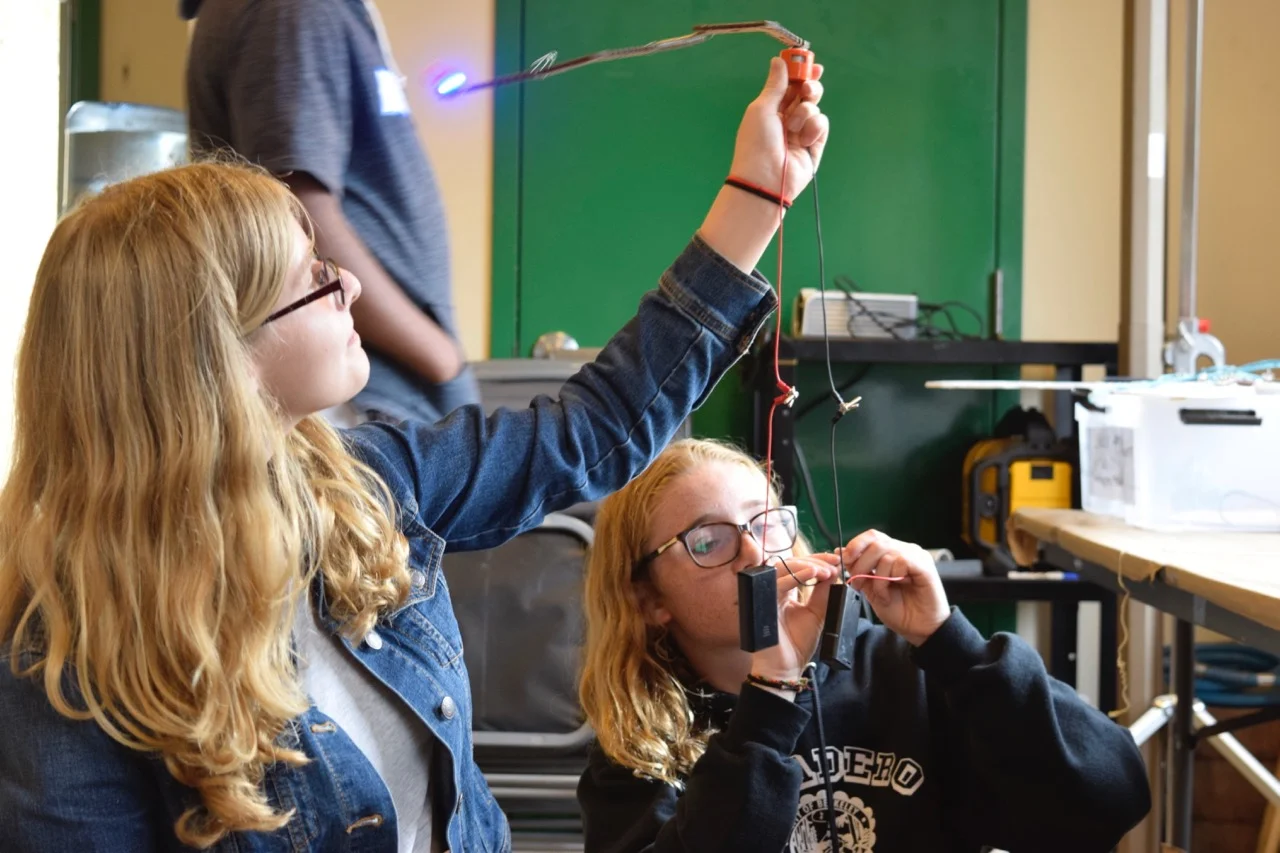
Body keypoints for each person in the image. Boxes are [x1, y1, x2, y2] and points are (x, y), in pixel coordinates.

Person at [0, 60, 827, 852]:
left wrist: (757, 194)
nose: (352, 285)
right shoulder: (61, 650)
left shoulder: (370, 483)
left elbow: (594, 427)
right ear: (217, 353)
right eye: (315, 276)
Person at [577, 439, 1151, 853]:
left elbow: (1109, 802)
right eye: (708, 541)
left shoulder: (906, 672)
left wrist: (950, 642)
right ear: (649, 598)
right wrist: (772, 696)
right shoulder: (639, 743)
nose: (756, 555)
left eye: (766, 523)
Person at [183, 0, 479, 426]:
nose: (348, 285)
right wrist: (441, 359)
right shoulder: (290, 9)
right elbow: (298, 208)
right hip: (363, 397)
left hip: (373, 387)